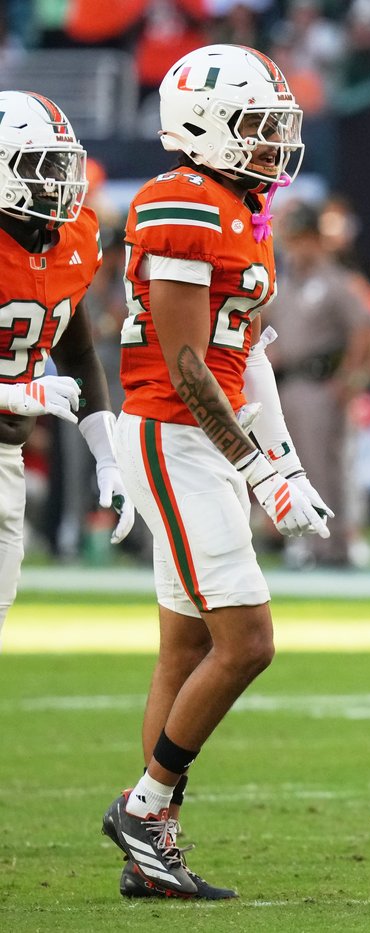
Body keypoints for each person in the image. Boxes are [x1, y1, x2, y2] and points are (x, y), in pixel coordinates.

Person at [101, 44, 330, 900]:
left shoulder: (235, 203)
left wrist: (284, 462)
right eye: (255, 126)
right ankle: (146, 806)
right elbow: (188, 361)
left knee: (187, 643)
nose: (271, 144)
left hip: (199, 433)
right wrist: (257, 468)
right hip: (172, 432)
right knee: (249, 640)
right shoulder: (180, 204)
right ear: (202, 125)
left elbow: (244, 360)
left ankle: (147, 852)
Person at [0, 91, 135, 647]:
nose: (58, 180)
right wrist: (10, 393)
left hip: (7, 460)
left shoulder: (73, 235)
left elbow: (76, 352)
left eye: (61, 163)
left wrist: (108, 457)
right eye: (39, 165)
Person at [266, 201, 370, 569]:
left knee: (324, 466)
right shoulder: (284, 283)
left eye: (304, 239)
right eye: (292, 239)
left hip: (322, 381)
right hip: (289, 383)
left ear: (318, 239)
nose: (298, 246)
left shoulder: (335, 280)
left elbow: (365, 329)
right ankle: (306, 544)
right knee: (291, 467)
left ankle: (335, 546)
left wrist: (351, 377)